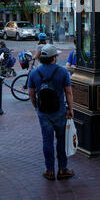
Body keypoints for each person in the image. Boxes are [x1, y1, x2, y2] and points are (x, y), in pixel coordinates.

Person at [28, 44, 75, 181]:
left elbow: (31, 94)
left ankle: (49, 171)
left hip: (43, 112)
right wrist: (70, 109)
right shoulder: (62, 72)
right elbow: (68, 92)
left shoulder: (34, 73)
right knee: (61, 140)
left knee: (47, 141)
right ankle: (62, 169)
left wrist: (36, 107)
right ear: (53, 58)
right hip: (59, 110)